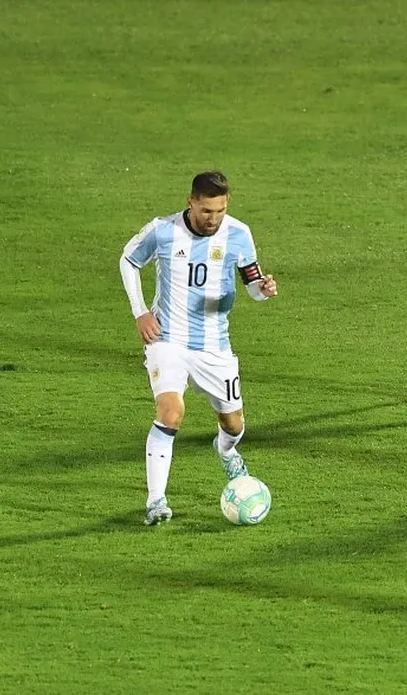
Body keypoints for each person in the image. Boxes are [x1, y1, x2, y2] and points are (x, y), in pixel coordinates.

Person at [119, 171, 278, 525]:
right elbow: (128, 260)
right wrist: (141, 312)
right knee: (171, 413)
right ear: (191, 203)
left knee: (234, 425)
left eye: (219, 211)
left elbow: (251, 282)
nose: (213, 219)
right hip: (167, 341)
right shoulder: (163, 230)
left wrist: (262, 290)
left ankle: (225, 451)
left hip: (214, 347)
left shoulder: (239, 233)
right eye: (207, 211)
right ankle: (156, 502)